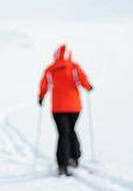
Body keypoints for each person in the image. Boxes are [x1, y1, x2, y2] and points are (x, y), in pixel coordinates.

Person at [38, 44, 93, 176]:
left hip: (58, 109)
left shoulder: (50, 70)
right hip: (75, 107)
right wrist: (89, 87)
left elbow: (44, 85)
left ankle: (63, 163)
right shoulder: (74, 67)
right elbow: (84, 81)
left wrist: (41, 97)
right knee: (71, 130)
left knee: (63, 133)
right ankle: (75, 157)